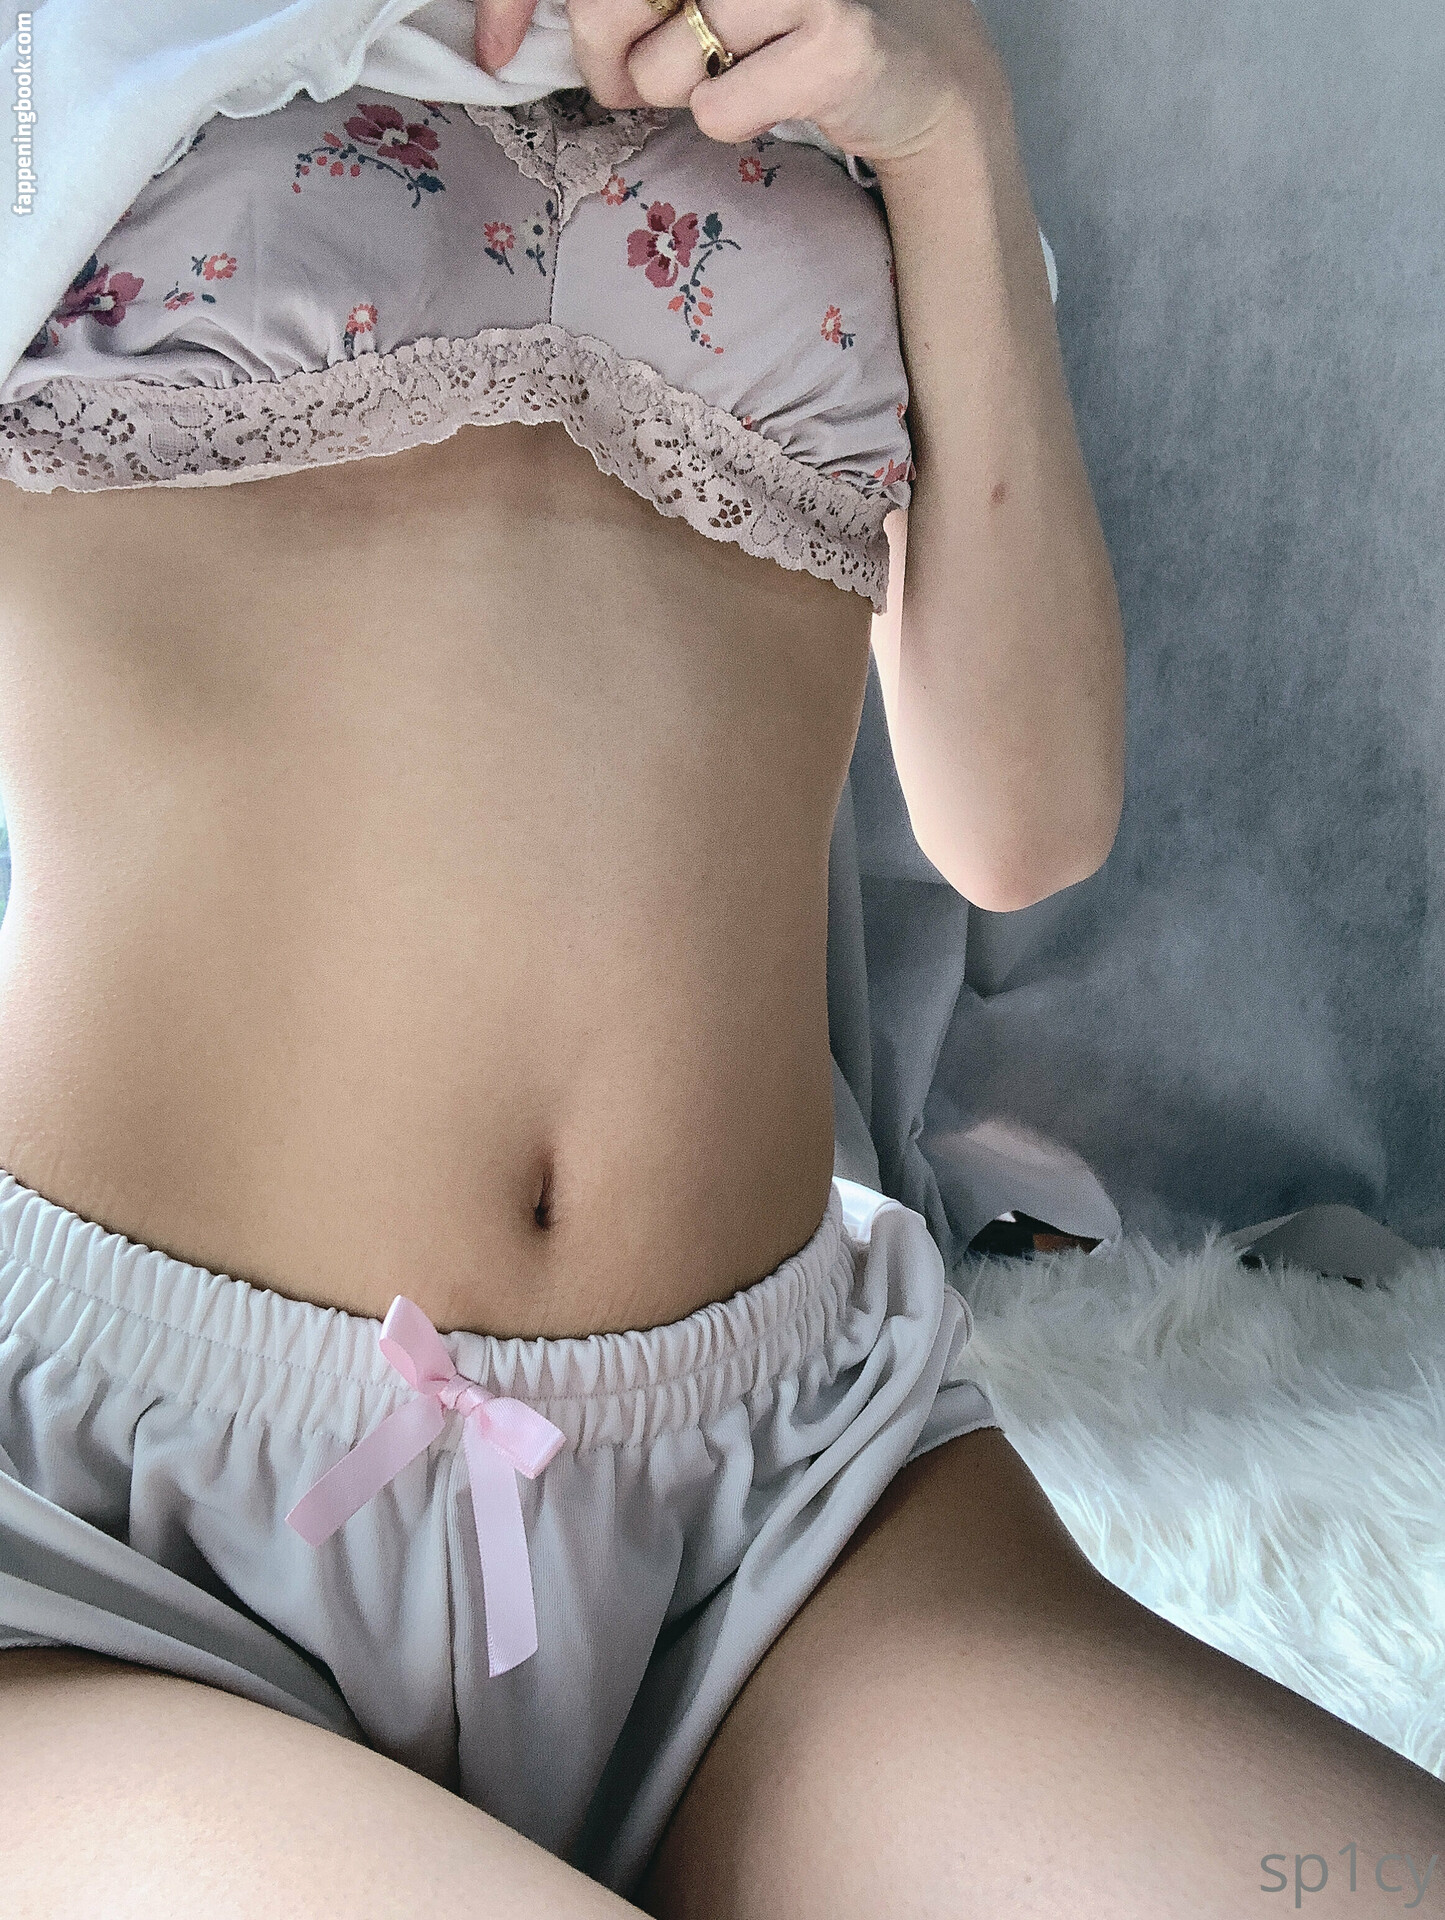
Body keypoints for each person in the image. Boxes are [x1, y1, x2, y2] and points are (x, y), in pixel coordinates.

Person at [1, 1, 1439, 1914]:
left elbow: (1020, 822)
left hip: (770, 1502)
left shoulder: (832, 45)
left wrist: (947, 124)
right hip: (99, 1530)